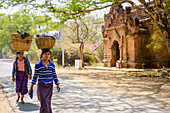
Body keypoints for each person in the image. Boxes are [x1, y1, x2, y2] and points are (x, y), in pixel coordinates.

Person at [29, 49, 60, 113]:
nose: (47, 55)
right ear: (42, 55)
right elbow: (35, 76)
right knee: (43, 102)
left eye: (48, 54)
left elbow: (54, 75)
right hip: (41, 86)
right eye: (45, 54)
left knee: (47, 102)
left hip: (49, 86)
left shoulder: (52, 65)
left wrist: (57, 84)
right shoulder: (38, 65)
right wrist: (31, 87)